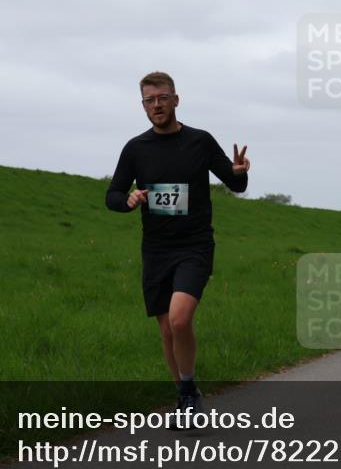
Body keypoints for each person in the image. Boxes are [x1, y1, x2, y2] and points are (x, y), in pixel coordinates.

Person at [106, 71, 250, 418]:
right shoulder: (136, 148)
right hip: (156, 248)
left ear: (175, 100)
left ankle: (187, 390)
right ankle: (186, 395)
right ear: (143, 106)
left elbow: (236, 184)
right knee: (167, 329)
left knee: (180, 320)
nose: (157, 105)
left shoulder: (199, 141)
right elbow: (112, 194)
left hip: (194, 245)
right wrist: (127, 200)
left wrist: (240, 171)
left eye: (162, 98)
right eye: (149, 100)